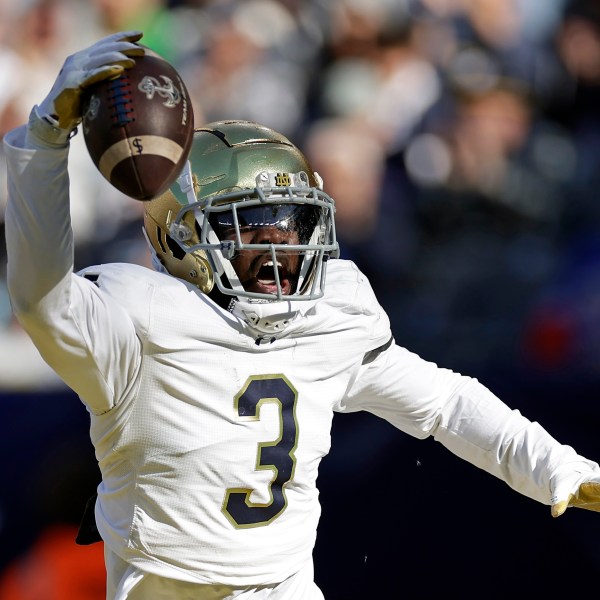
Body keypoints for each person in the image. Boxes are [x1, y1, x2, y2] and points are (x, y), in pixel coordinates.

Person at [3, 31, 600, 600]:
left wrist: (562, 471)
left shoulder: (331, 314)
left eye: (291, 227)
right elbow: (42, 296)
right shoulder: (139, 318)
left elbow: (446, 403)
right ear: (179, 241)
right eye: (249, 231)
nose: (280, 252)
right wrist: (47, 138)